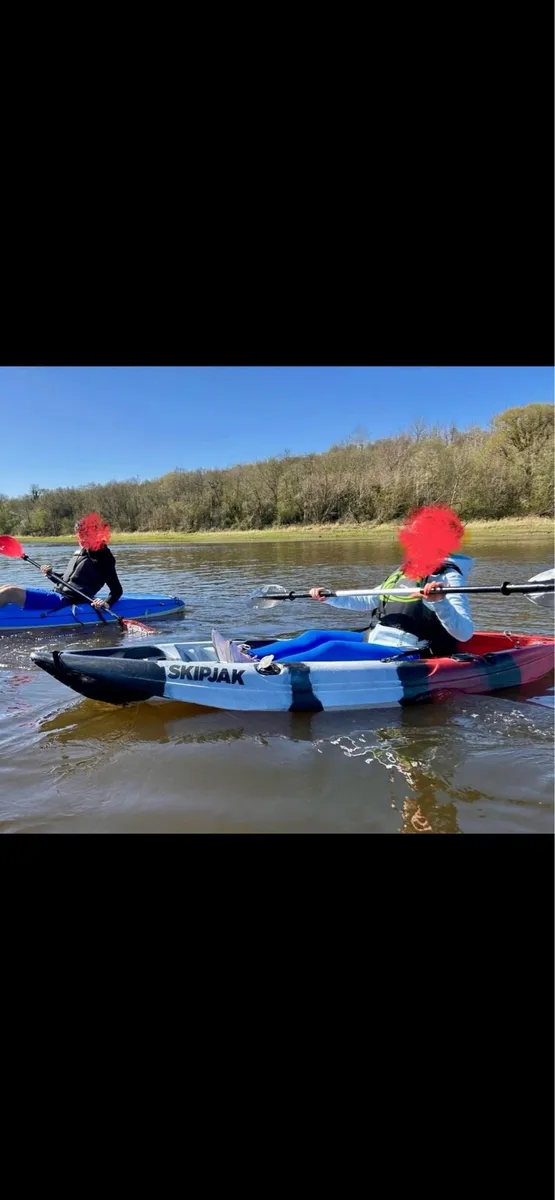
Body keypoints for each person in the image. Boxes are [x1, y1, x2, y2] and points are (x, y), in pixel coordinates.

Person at [247, 553, 474, 662]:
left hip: (408, 650)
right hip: (376, 637)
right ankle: (249, 656)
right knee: (314, 636)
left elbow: (464, 633)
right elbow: (369, 599)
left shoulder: (449, 577)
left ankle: (264, 670)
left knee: (332, 648)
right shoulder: (405, 571)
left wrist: (440, 602)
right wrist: (330, 597)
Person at [0, 516, 123, 614]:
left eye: (85, 536)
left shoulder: (104, 557)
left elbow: (117, 590)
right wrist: (51, 574)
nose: (81, 540)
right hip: (56, 594)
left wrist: (106, 603)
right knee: (7, 586)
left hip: (65, 601)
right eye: (80, 537)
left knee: (10, 592)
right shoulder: (82, 551)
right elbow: (68, 581)